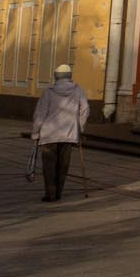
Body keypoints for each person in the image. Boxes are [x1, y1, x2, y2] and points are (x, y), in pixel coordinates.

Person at [31, 63, 90, 202]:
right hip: (68, 134)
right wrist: (80, 128)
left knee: (49, 166)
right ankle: (58, 192)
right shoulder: (77, 90)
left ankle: (50, 193)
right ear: (70, 76)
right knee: (63, 165)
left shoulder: (49, 92)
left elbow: (40, 114)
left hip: (49, 134)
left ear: (56, 76)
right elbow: (85, 109)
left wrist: (35, 133)